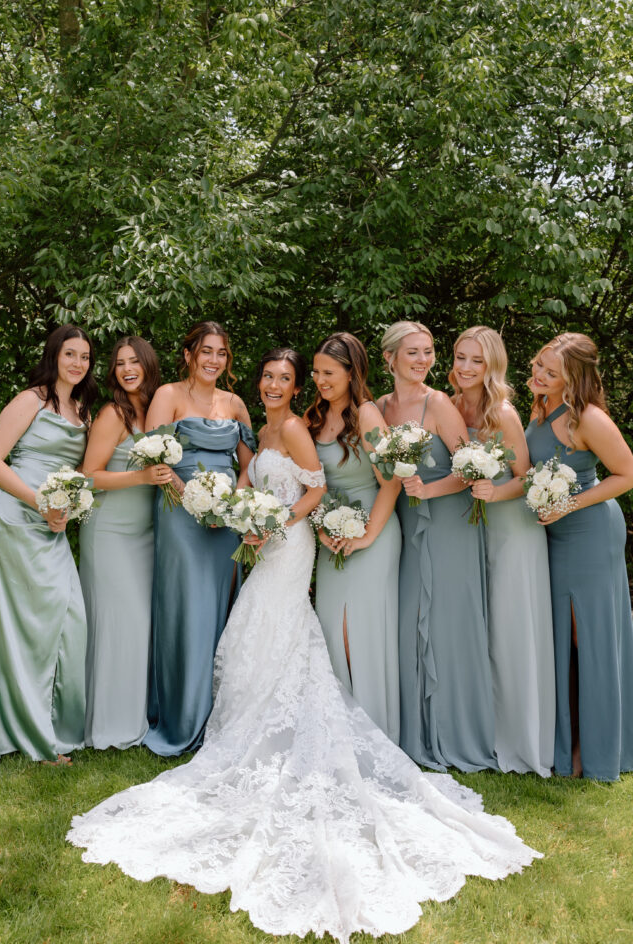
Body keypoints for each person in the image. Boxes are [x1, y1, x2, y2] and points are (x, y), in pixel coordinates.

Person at [68, 346, 541, 944]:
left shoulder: (294, 425)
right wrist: (238, 506)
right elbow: (251, 474)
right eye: (273, 376)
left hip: (291, 544)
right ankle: (253, 718)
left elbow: (315, 488)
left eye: (293, 377)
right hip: (272, 538)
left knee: (277, 622)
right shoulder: (279, 425)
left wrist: (278, 523)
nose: (279, 385)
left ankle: (294, 723)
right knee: (256, 629)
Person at [0, 325, 96, 763]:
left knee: (68, 619)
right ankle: (31, 737)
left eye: (85, 357)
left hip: (49, 522)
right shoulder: (31, 400)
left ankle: (52, 723)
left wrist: (64, 509)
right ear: (54, 355)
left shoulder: (84, 412)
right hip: (11, 517)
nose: (78, 363)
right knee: (18, 627)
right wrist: (39, 501)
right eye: (70, 354)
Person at [377, 320, 497, 772]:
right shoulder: (379, 408)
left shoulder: (439, 402)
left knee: (448, 623)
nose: (424, 360)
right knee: (412, 621)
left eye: (428, 351)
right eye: (413, 352)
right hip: (406, 527)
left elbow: (471, 468)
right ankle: (416, 730)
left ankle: (457, 733)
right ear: (390, 358)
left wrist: (427, 490)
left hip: (448, 524)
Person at [526, 332, 633, 781]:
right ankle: (568, 741)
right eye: (538, 365)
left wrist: (568, 503)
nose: (540, 375)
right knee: (562, 636)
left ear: (574, 376)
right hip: (554, 535)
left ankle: (591, 748)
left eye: (552, 372)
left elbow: (627, 474)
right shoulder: (538, 406)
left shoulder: (587, 418)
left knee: (585, 636)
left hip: (589, 531)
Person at [142, 320, 255, 756]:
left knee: (220, 611)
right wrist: (193, 499)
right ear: (189, 354)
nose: (213, 360)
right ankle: (182, 715)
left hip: (223, 520)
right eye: (205, 351)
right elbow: (153, 458)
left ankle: (220, 716)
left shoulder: (235, 403)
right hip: (179, 511)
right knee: (187, 609)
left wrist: (229, 504)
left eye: (221, 353)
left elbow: (248, 466)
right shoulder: (168, 396)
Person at [450, 326, 555, 776]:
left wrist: (495, 494)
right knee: (482, 631)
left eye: (476, 360)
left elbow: (527, 477)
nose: (466, 368)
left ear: (492, 365)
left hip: (512, 529)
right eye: (460, 357)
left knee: (512, 630)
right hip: (472, 529)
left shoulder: (503, 412)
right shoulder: (450, 405)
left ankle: (520, 740)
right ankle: (483, 732)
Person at [307, 332, 402, 743]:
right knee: (332, 630)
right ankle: (337, 735)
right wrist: (323, 525)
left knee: (359, 633)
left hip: (373, 534)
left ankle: (373, 734)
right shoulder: (313, 417)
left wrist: (365, 537)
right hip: (332, 535)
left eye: (329, 373)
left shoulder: (367, 416)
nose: (320, 380)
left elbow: (392, 482)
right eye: (316, 372)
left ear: (351, 372)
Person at [79, 336, 172, 750]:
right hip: (110, 531)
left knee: (140, 625)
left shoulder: (153, 412)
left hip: (145, 534)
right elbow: (89, 475)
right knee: (121, 623)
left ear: (149, 365)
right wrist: (140, 477)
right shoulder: (113, 413)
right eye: (120, 363)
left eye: (135, 361)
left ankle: (137, 714)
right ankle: (110, 725)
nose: (127, 368)